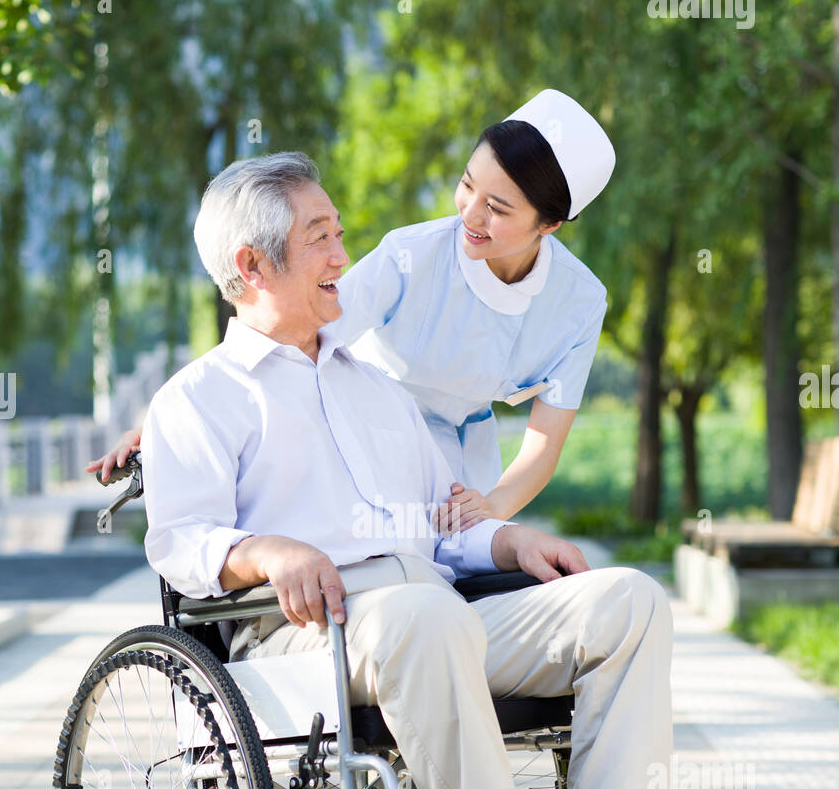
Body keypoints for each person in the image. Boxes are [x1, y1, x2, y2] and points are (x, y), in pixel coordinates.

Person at [140, 152, 735, 789]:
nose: (343, 257)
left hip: (433, 614)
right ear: (251, 265)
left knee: (626, 600)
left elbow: (442, 520)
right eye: (321, 238)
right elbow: (179, 542)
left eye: (339, 234)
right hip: (310, 635)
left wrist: (508, 539)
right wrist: (267, 550)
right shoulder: (199, 397)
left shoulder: (375, 387)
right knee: (426, 617)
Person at [91, 88, 613, 534]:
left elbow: (544, 446)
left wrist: (493, 506)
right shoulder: (412, 256)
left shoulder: (579, 304)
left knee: (483, 578)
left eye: (497, 209)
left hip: (467, 459)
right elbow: (286, 326)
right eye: (467, 185)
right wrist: (172, 418)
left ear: (548, 226)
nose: (470, 214)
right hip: (372, 429)